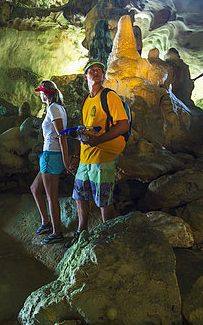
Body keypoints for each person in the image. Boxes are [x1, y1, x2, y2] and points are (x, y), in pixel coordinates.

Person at [66, 60, 130, 248]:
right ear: (85, 76)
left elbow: (123, 124)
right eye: (92, 71)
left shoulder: (109, 96)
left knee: (103, 200)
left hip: (103, 157)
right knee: (80, 196)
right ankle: (81, 232)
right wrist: (76, 156)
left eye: (99, 70)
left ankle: (106, 238)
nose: (96, 73)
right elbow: (83, 131)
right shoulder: (87, 100)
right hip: (86, 158)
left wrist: (98, 141)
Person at [30, 80, 70, 245]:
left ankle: (56, 231)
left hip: (52, 155)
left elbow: (62, 135)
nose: (40, 94)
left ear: (46, 93)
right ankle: (46, 223)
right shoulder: (58, 108)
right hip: (49, 154)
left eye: (41, 92)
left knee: (51, 197)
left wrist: (65, 161)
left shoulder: (54, 108)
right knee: (34, 188)